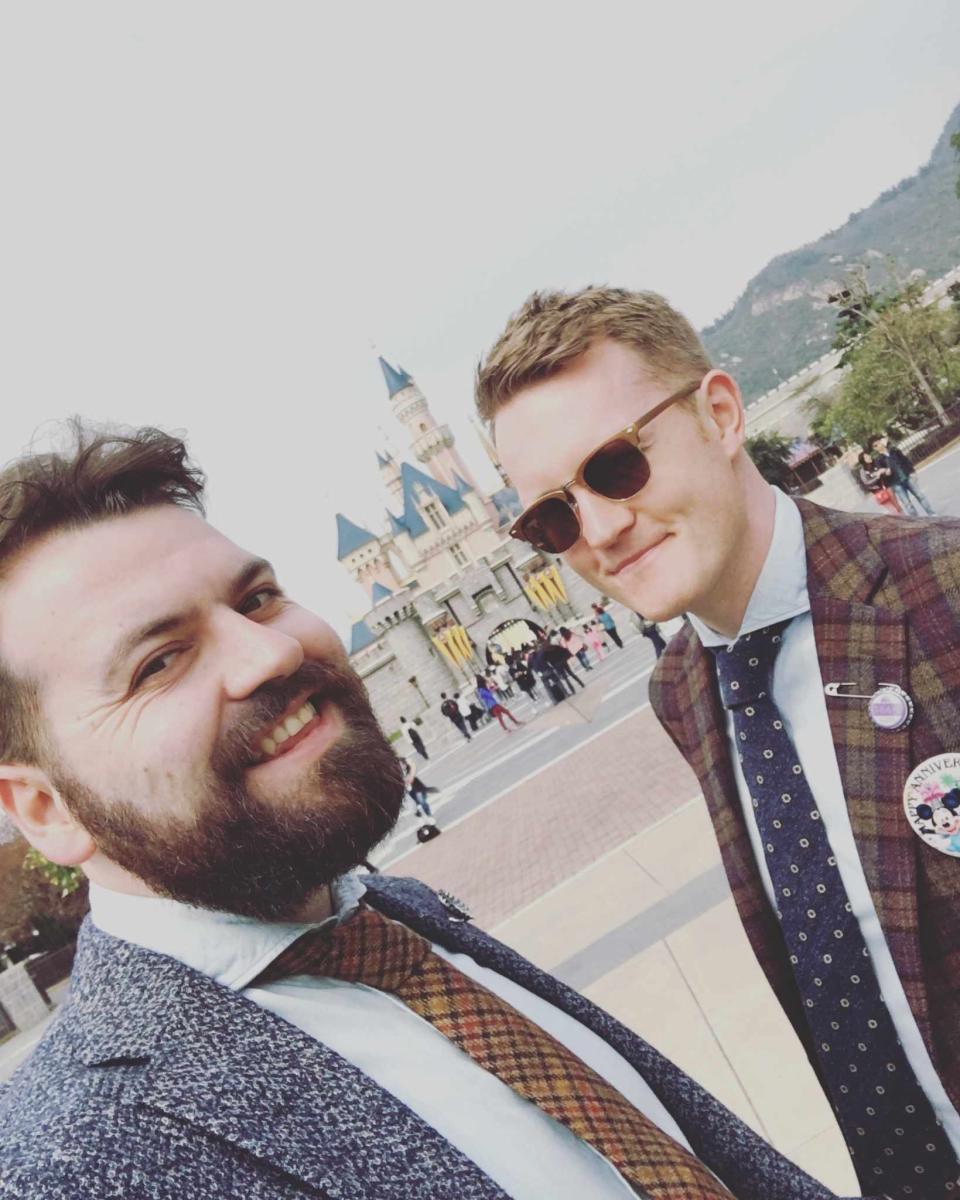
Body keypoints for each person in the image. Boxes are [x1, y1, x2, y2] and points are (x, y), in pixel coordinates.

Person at [0, 421, 840, 1200]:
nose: (273, 651)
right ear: (43, 807)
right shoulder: (71, 1166)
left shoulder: (400, 924)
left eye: (255, 598)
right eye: (158, 662)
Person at [480, 284, 960, 1197]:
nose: (602, 530)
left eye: (617, 466)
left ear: (721, 414)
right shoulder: (687, 693)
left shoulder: (943, 587)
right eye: (553, 516)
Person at [873, 436, 936, 516]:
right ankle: (918, 522)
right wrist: (886, 472)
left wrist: (913, 472)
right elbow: (882, 473)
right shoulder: (878, 459)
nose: (878, 445)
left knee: (920, 496)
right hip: (896, 484)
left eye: (878, 443)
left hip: (907, 477)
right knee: (908, 505)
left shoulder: (894, 450)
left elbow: (905, 460)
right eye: (875, 445)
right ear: (875, 449)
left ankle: (932, 514)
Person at [856, 449, 901, 514]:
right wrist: (877, 477)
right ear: (863, 461)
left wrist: (884, 471)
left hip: (887, 487)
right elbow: (866, 482)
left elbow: (885, 469)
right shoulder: (863, 471)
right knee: (893, 511)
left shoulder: (876, 462)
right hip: (878, 491)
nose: (869, 457)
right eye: (866, 457)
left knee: (898, 507)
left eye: (868, 455)